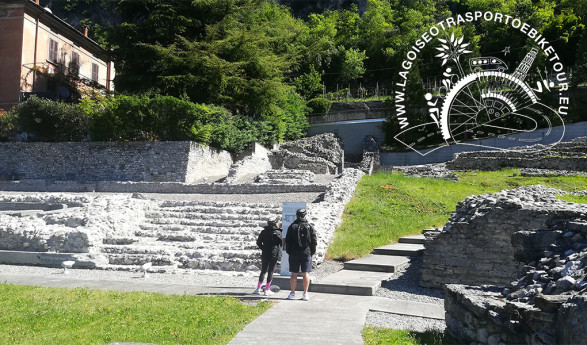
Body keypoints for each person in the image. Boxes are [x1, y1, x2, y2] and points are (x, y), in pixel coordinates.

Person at [285, 208, 317, 301]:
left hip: (294, 252)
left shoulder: (292, 226)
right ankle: (305, 293)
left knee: (294, 273)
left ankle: (292, 293)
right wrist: (312, 252)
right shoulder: (310, 226)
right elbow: (314, 241)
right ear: (305, 215)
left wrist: (289, 252)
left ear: (297, 215)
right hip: (306, 252)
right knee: (305, 273)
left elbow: (287, 241)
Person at [253, 218, 283, 296]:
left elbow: (258, 243)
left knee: (263, 270)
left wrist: (263, 248)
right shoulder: (278, 232)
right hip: (274, 254)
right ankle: (267, 289)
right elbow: (282, 243)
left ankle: (258, 288)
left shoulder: (264, 232)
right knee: (270, 271)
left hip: (265, 253)